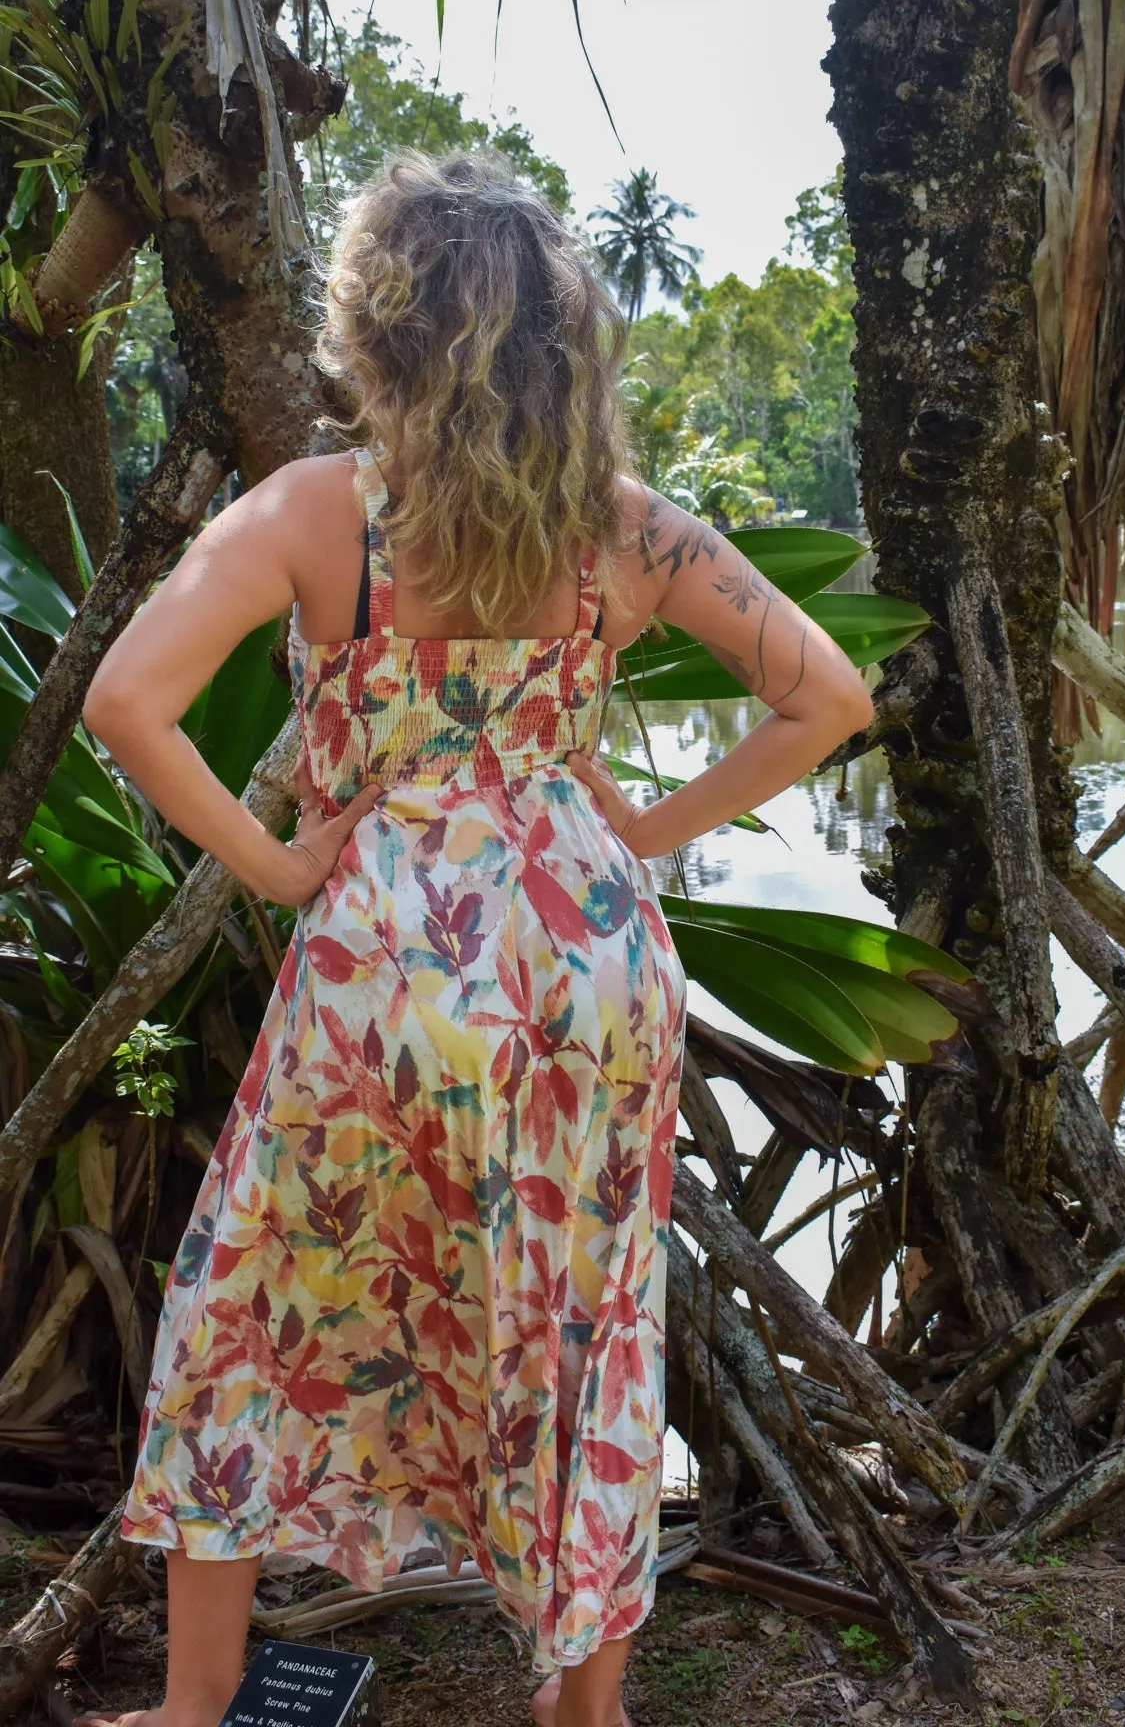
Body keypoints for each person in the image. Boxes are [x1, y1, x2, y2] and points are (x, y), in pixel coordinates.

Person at [81, 152, 874, 1727]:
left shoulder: (320, 514)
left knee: (259, 1297)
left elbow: (125, 698)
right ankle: (583, 1712)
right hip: (584, 968)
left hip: (387, 961)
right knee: (575, 1321)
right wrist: (634, 836)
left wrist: (280, 862)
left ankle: (195, 1704)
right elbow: (832, 698)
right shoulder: (629, 531)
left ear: (377, 332)